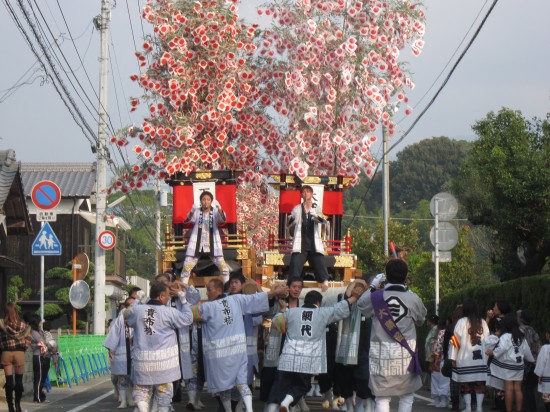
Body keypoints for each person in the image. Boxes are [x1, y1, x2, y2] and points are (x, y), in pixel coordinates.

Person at [193, 278, 288, 412]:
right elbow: (255, 300)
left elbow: (188, 315)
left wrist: (184, 298)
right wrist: (273, 292)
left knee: (225, 387)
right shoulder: (235, 300)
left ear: (220, 290)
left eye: (210, 290)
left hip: (221, 355)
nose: (207, 293)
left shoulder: (208, 307)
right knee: (241, 383)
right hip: (238, 351)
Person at [268, 286, 365, 412]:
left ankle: (275, 407)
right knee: (303, 386)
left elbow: (276, 322)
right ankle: (286, 402)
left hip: (287, 357)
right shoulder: (322, 313)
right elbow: (340, 307)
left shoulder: (291, 312)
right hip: (307, 360)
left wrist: (282, 309)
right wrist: (355, 297)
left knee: (278, 387)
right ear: (318, 303)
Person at [357, 258, 427, 412]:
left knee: (382, 397)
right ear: (406, 275)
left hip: (381, 355)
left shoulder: (375, 297)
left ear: (386, 275)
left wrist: (373, 286)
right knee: (407, 395)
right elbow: (422, 320)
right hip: (405, 355)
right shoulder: (414, 298)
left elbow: (361, 305)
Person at [123, 281, 197, 412]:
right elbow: (188, 319)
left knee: (142, 393)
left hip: (143, 362)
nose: (169, 297)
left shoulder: (138, 310)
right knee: (164, 397)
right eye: (168, 295)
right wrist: (184, 301)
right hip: (165, 364)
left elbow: (126, 315)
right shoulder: (169, 312)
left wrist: (136, 301)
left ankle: (143, 409)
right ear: (162, 296)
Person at [487, 314, 534, 412]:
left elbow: (501, 349)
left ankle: (509, 410)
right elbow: (527, 352)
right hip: (519, 366)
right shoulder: (521, 337)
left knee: (508, 389)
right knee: (517, 389)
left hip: (507, 366)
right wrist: (532, 360)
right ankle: (519, 410)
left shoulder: (505, 336)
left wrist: (492, 352)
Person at [449, 299, 490, 412]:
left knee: (465, 384)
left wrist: (453, 357)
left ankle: (468, 407)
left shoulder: (461, 322)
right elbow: (488, 341)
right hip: (480, 360)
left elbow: (455, 341)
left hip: (464, 360)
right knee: (480, 384)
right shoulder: (483, 322)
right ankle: (479, 408)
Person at [181, 190, 229, 285]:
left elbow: (222, 219)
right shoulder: (197, 211)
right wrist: (192, 210)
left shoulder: (215, 211)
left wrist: (220, 208)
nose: (206, 201)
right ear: (200, 201)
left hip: (213, 243)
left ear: (211, 201)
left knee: (224, 268)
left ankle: (228, 288)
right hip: (197, 243)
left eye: (208, 199)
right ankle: (183, 288)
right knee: (186, 267)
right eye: (203, 199)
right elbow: (188, 220)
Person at [287, 185, 330, 292]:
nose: (305, 194)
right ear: (301, 195)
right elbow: (289, 224)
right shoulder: (297, 208)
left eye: (307, 192)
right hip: (300, 243)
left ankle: (325, 282)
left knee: (319, 260)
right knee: (295, 263)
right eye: (303, 192)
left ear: (311, 194)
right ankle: (292, 285)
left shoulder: (316, 208)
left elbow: (323, 221)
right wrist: (293, 220)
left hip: (313, 242)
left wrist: (316, 217)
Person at [104, 297, 135, 409]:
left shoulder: (137, 317)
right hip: (121, 353)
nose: (133, 306)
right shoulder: (119, 319)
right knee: (122, 377)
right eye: (131, 304)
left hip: (133, 353)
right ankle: (123, 400)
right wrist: (111, 348)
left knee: (132, 378)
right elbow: (114, 335)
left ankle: (130, 398)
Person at [0, 302, 30, 412]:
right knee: (19, 381)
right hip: (19, 353)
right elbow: (28, 338)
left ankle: (10, 408)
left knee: (9, 382)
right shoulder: (22, 324)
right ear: (15, 311)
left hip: (6, 353)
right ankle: (18, 406)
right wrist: (24, 348)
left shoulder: (2, 324)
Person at [517, 309, 541, 412]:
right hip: (535, 363)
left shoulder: (519, 331)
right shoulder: (533, 330)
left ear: (521, 319)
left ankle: (529, 409)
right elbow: (538, 346)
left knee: (526, 389)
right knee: (530, 388)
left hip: (525, 364)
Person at [28, 314, 53, 404]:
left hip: (44, 355)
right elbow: (43, 342)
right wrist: (49, 344)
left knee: (43, 376)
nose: (40, 323)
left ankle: (40, 395)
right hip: (38, 355)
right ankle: (37, 397)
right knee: (38, 377)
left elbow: (46, 342)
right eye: (39, 321)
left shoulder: (40, 331)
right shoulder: (34, 332)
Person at [429, 318, 450, 408]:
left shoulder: (442, 332)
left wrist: (432, 360)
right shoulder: (452, 330)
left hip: (439, 360)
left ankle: (439, 400)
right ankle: (444, 400)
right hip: (447, 359)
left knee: (436, 380)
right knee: (444, 381)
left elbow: (437, 348)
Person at [534, 326, 550, 412]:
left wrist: (539, 375)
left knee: (547, 401)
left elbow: (541, 363)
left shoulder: (545, 348)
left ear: (548, 335)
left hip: (547, 380)